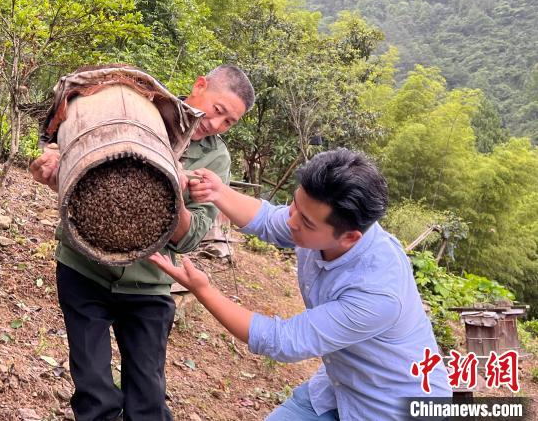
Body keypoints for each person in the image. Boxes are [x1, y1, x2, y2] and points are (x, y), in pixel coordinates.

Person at [150, 148, 452, 421]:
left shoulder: (378, 292)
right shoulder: (318, 224)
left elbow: (282, 340)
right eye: (294, 205)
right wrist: (219, 192)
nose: (291, 221)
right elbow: (269, 220)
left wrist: (204, 290)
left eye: (306, 222)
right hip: (338, 389)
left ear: (349, 237)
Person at [30, 64, 254, 421]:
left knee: (147, 400)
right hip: (83, 271)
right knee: (93, 393)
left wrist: (173, 194)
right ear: (199, 86)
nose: (216, 124)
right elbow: (74, 165)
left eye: (229, 122)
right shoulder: (134, 108)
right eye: (218, 111)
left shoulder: (217, 159)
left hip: (148, 288)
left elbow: (190, 237)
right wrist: (50, 166)